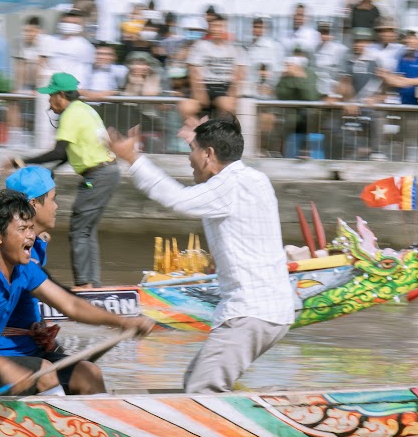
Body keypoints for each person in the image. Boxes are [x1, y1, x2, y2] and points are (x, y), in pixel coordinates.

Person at [109, 119, 293, 393]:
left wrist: (132, 159)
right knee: (195, 380)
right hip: (271, 312)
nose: (188, 158)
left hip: (249, 312)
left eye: (192, 150)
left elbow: (177, 199)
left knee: (201, 391)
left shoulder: (230, 184)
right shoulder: (254, 178)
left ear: (208, 155)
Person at [0, 189, 153, 396]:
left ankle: (99, 434)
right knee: (43, 373)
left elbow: (72, 306)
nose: (31, 235)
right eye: (22, 229)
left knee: (88, 372)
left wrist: (123, 321)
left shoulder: (24, 269)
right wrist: (5, 368)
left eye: (31, 227)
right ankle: (61, 435)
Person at [0, 166, 111, 394]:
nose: (57, 206)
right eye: (53, 200)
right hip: (6, 357)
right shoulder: (16, 253)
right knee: (87, 375)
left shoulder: (32, 246)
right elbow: (70, 304)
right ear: (34, 205)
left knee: (89, 372)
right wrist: (123, 321)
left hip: (30, 350)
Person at [9, 71, 119, 289]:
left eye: (51, 97)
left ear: (60, 95)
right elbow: (70, 153)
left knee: (79, 230)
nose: (49, 103)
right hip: (108, 172)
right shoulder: (85, 109)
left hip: (97, 176)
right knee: (87, 230)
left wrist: (22, 160)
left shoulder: (70, 114)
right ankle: (92, 284)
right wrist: (53, 170)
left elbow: (59, 151)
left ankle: (85, 284)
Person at [186, 16, 247, 121]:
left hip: (224, 87)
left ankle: (220, 134)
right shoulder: (200, 45)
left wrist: (233, 94)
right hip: (205, 85)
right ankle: (196, 135)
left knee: (226, 105)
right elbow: (193, 70)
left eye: (219, 26)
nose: (215, 29)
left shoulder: (236, 48)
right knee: (186, 107)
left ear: (225, 28)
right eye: (213, 26)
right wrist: (199, 92)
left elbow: (239, 74)